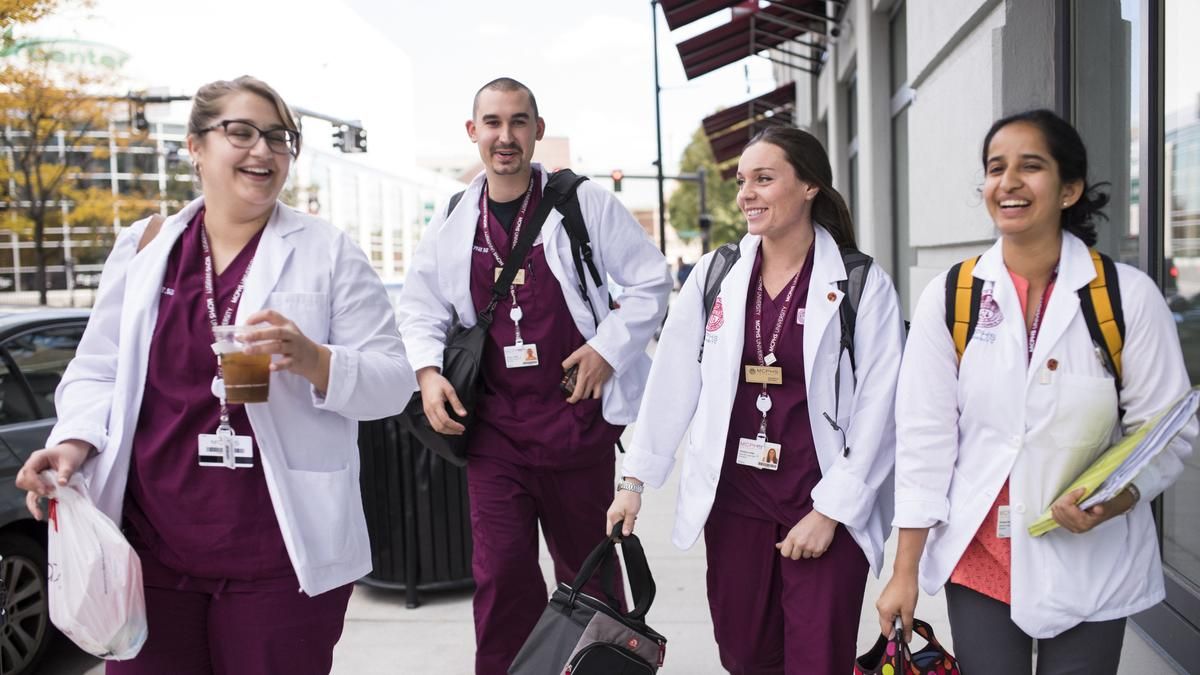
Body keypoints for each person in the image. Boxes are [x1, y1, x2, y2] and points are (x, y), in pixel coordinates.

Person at [15, 76, 415, 675]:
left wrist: (314, 358)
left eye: (280, 138)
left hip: (280, 561)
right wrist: (71, 444)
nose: (264, 150)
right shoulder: (146, 246)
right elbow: (97, 369)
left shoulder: (327, 251)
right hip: (149, 556)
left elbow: (393, 382)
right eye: (242, 132)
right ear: (196, 147)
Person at [875, 109, 1197, 674]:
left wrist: (1112, 502)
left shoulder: (1126, 298)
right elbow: (924, 440)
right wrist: (905, 571)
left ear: (1070, 188)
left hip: (1090, 553)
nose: (1009, 182)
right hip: (980, 555)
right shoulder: (952, 296)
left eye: (1031, 166)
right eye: (996, 168)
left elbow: (1166, 435)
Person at [396, 77, 671, 674]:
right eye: (492, 123)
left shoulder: (582, 203)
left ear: (537, 131)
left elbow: (651, 279)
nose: (505, 136)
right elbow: (419, 306)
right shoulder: (453, 217)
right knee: (501, 580)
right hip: (496, 434)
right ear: (473, 133)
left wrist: (608, 347)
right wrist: (427, 371)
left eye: (518, 122)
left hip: (576, 427)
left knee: (591, 576)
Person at [609, 126, 904, 674]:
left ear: (811, 186)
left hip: (820, 507)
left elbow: (880, 411)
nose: (747, 193)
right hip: (737, 504)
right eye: (744, 180)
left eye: (764, 179)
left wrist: (831, 512)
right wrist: (633, 483)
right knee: (744, 657)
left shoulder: (862, 284)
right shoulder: (717, 275)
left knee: (817, 662)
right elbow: (672, 381)